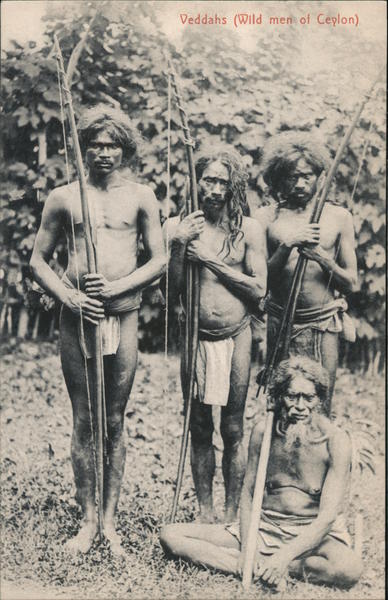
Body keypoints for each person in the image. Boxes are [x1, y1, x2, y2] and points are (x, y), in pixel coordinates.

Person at [30, 105, 165, 553]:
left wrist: (117, 287)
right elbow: (37, 260)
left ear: (125, 148)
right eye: (96, 144)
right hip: (78, 316)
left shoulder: (142, 196)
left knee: (114, 418)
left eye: (112, 145)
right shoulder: (64, 197)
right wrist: (69, 296)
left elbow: (159, 259)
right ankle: (86, 520)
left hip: (122, 313)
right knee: (85, 418)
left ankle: (110, 521)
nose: (104, 153)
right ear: (83, 147)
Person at [160, 356, 362, 589]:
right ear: (278, 397)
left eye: (308, 397)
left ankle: (268, 567)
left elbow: (327, 518)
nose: (299, 406)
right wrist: (248, 548)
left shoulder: (335, 441)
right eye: (292, 396)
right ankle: (259, 566)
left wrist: (283, 557)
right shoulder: (264, 432)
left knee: (349, 569)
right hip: (264, 528)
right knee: (171, 535)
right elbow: (247, 494)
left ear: (319, 400)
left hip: (312, 536)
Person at [164, 148, 267, 522]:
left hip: (236, 334)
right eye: (208, 179)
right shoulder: (178, 226)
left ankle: (231, 513)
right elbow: (169, 293)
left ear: (233, 187)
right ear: (196, 181)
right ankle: (205, 512)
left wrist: (209, 259)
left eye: (223, 182)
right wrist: (178, 245)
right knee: (200, 425)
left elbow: (258, 292)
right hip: (194, 335)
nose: (214, 189)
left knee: (234, 426)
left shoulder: (249, 229)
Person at [254, 132, 357, 409]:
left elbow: (351, 283)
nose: (300, 184)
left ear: (320, 178)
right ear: (279, 178)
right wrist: (287, 245)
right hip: (280, 324)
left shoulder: (338, 218)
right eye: (292, 176)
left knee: (321, 403)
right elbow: (259, 280)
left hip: (323, 325)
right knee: (279, 403)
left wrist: (321, 257)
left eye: (307, 176)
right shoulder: (266, 217)